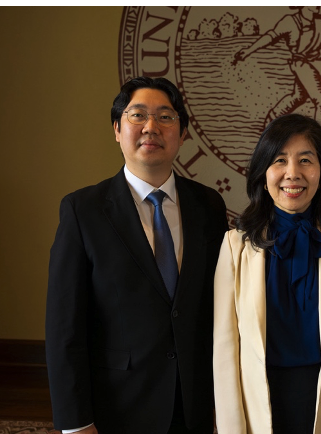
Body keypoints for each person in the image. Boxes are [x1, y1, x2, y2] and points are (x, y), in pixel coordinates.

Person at [45, 77, 228, 434]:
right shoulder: (84, 210)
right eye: (138, 115)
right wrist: (76, 424)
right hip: (118, 407)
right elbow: (64, 326)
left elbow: (218, 304)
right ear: (117, 129)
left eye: (165, 117)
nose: (151, 127)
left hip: (195, 404)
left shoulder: (208, 205)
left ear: (182, 133)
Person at [213, 113, 321, 434]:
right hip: (259, 402)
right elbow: (225, 348)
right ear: (263, 174)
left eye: (305, 160)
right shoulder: (235, 245)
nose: (292, 173)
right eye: (279, 160)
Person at [234, 7, 321, 136]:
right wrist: (249, 50)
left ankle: (270, 121)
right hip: (301, 65)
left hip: (317, 63)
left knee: (298, 97)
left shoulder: (320, 20)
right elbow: (270, 36)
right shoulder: (290, 21)